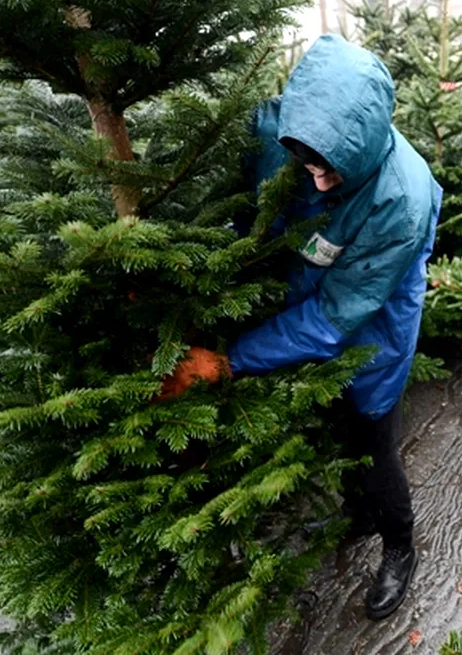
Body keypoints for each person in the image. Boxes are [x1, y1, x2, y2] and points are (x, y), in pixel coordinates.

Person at [159, 35, 442, 621]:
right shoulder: (279, 131)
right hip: (311, 289)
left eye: (331, 171)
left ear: (362, 151)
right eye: (308, 165)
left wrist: (231, 358)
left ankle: (398, 546)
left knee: (371, 425)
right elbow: (248, 209)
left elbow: (340, 315)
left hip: (374, 312)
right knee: (336, 413)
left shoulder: (400, 200)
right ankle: (357, 513)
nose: (316, 182)